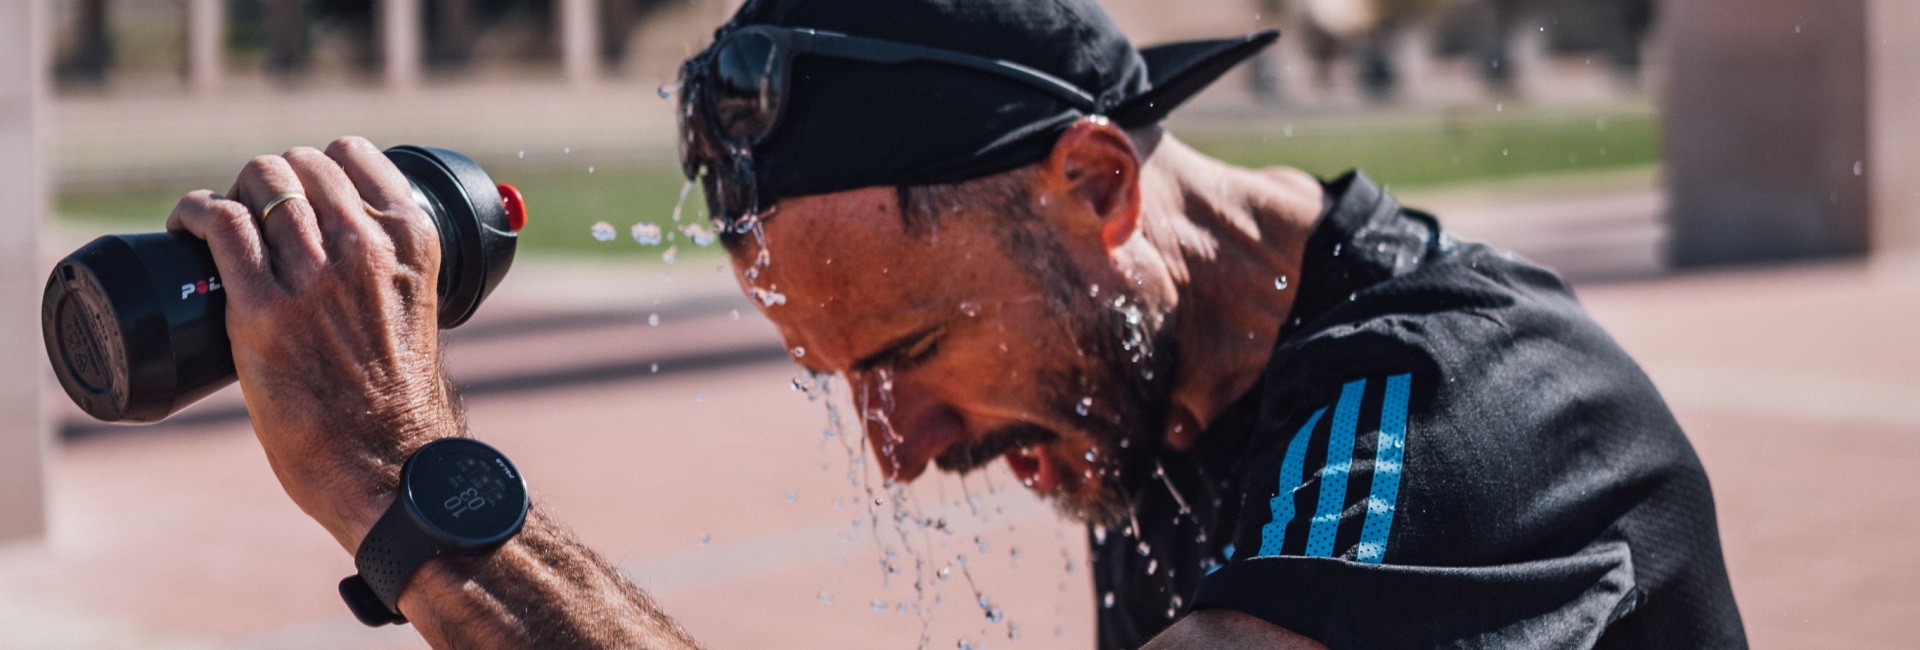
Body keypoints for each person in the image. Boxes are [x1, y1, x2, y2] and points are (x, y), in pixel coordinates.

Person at [165, 0, 1745, 647]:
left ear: (1094, 185)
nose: (900, 448)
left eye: (907, 355)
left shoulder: (1434, 422)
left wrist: (408, 485)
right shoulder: (1162, 386)